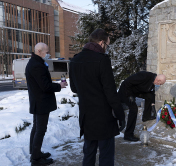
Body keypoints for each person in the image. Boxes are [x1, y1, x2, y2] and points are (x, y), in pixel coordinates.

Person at [69, 28, 126, 166]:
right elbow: (111, 92)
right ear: (101, 43)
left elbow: (74, 88)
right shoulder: (102, 60)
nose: (107, 49)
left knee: (88, 153)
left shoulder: (75, 60)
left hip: (86, 116)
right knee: (106, 155)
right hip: (103, 117)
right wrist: (120, 115)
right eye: (107, 45)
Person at [26, 43, 68, 165]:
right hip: (41, 102)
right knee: (40, 129)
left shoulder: (35, 62)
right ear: (39, 51)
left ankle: (35, 153)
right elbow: (45, 86)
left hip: (38, 101)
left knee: (36, 128)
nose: (48, 54)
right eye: (46, 51)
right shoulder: (36, 65)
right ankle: (36, 159)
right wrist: (59, 85)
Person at [118, 71, 166, 141]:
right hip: (125, 91)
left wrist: (152, 105)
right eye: (160, 84)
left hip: (135, 91)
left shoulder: (153, 81)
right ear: (158, 81)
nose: (159, 85)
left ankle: (146, 116)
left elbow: (151, 93)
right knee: (134, 109)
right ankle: (128, 134)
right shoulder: (144, 76)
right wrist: (129, 96)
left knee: (150, 96)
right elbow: (127, 82)